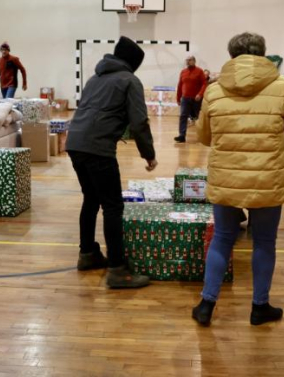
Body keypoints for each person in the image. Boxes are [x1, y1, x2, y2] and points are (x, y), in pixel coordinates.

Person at [192, 32, 284, 326]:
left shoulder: (214, 90)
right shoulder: (282, 87)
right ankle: (260, 307)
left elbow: (204, 137)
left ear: (232, 56)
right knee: (265, 242)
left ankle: (207, 304)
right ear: (263, 54)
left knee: (222, 239)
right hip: (267, 178)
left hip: (227, 177)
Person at [66, 36, 157, 289]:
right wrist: (148, 154)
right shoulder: (130, 80)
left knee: (91, 199)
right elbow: (139, 122)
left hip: (74, 143)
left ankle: (88, 254)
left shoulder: (95, 79)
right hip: (98, 148)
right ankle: (117, 270)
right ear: (133, 63)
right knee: (113, 206)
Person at [174, 55, 207, 143]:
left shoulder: (199, 71)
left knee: (198, 117)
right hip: (185, 99)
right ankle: (182, 135)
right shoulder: (183, 72)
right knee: (183, 116)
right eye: (187, 60)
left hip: (196, 99)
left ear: (194, 61)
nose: (188, 62)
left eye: (190, 60)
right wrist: (178, 98)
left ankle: (203, 135)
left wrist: (200, 94)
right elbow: (180, 85)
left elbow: (204, 84)